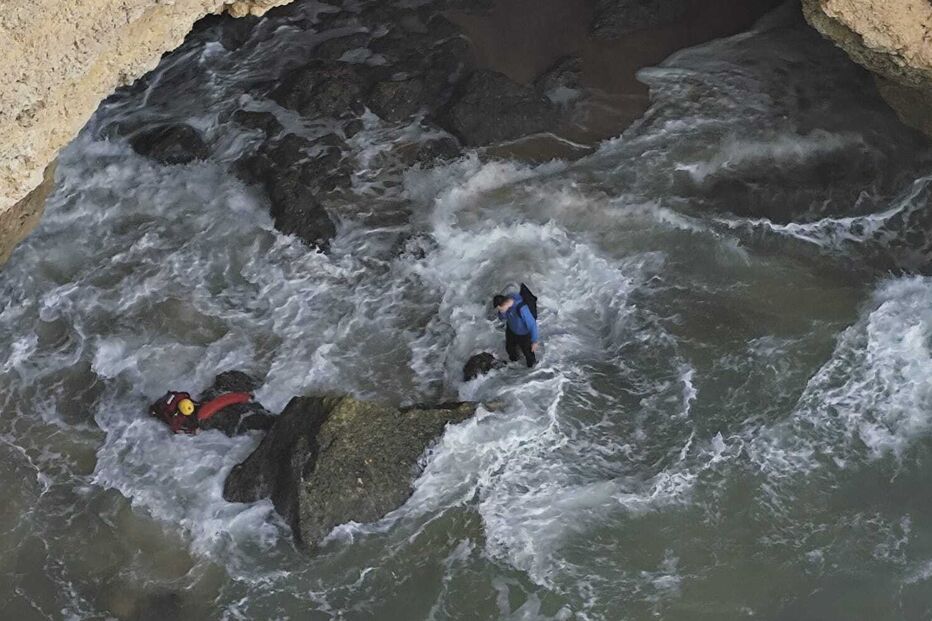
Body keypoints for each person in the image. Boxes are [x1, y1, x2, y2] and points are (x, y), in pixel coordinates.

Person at [493, 285, 540, 367]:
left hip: (524, 334)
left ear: (504, 304)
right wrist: (502, 312)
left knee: (529, 355)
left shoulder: (522, 309)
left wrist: (534, 341)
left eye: (500, 309)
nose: (499, 311)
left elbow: (532, 324)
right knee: (510, 349)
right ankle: (515, 367)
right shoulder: (506, 305)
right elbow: (502, 317)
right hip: (511, 330)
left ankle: (532, 371)